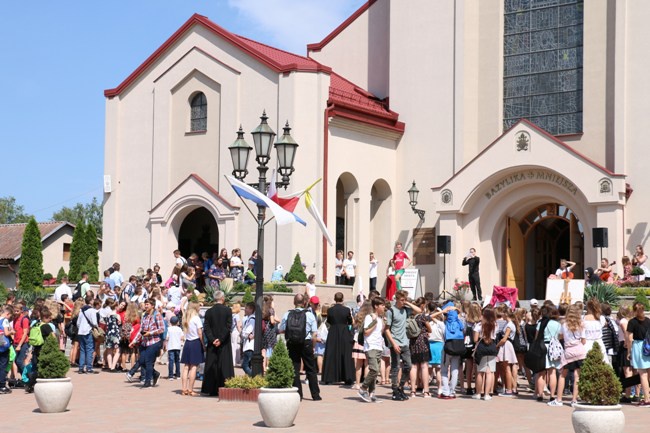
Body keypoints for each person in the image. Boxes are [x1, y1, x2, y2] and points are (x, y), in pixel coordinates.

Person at [279, 293, 322, 401]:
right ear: (304, 303)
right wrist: (313, 346)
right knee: (310, 369)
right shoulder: (310, 315)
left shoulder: (287, 314)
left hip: (292, 343)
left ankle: (298, 394)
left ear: (294, 303)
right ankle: (315, 394)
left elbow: (281, 329)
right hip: (306, 342)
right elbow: (314, 334)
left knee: (294, 368)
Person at [385, 290, 422, 401]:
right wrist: (393, 343)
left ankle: (401, 387)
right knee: (396, 367)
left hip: (405, 342)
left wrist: (409, 303)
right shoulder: (391, 311)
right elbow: (387, 329)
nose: (403, 302)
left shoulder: (406, 310)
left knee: (408, 366)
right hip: (395, 342)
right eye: (401, 300)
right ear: (396, 299)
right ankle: (395, 390)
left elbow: (420, 310)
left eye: (404, 300)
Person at [549, 304, 586, 407]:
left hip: (568, 351)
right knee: (577, 376)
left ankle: (559, 399)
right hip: (580, 351)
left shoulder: (564, 324)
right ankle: (574, 400)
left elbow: (560, 336)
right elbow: (583, 340)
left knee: (562, 375)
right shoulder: (581, 324)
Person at [201, 290, 234, 398]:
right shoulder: (228, 310)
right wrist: (220, 339)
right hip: (224, 343)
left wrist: (212, 339)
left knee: (212, 365)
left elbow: (206, 327)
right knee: (224, 364)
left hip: (212, 343)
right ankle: (225, 387)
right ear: (223, 299)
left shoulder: (209, 312)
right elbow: (228, 326)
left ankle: (211, 389)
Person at [126, 298, 164, 388]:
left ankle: (148, 382)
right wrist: (134, 341)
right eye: (145, 304)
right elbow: (141, 330)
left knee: (148, 362)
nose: (146, 306)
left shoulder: (157, 315)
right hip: (144, 342)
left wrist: (150, 333)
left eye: (148, 304)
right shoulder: (144, 315)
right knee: (141, 361)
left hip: (154, 342)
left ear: (152, 306)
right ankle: (155, 374)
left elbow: (162, 329)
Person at [357, 297, 387, 403]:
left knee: (375, 372)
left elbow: (379, 333)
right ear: (376, 306)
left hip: (378, 346)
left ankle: (372, 393)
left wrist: (383, 324)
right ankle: (363, 388)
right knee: (374, 370)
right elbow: (366, 332)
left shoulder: (380, 318)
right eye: (382, 305)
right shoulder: (370, 317)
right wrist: (374, 321)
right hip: (371, 346)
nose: (384, 307)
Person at [321, 292, 355, 385]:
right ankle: (347, 377)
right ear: (342, 299)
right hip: (344, 331)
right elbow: (350, 321)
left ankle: (329, 377)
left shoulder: (330, 310)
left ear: (334, 299)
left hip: (333, 332)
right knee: (346, 354)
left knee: (331, 353)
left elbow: (329, 321)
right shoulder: (346, 310)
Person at [627, 302, 650, 407]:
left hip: (639, 347)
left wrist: (629, 351)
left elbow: (629, 338)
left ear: (634, 310)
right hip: (648, 346)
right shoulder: (648, 321)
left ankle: (647, 399)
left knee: (643, 374)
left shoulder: (632, 322)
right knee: (648, 373)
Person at [409, 297, 432, 398]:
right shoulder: (422, 316)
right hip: (423, 341)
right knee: (424, 366)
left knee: (414, 366)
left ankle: (413, 390)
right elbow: (430, 329)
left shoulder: (411, 316)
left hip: (413, 342)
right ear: (422, 305)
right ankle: (426, 390)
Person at [473, 307, 497, 400]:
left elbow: (475, 339)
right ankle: (487, 394)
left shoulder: (479, 325)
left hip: (482, 347)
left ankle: (478, 393)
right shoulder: (495, 325)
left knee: (480, 372)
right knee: (490, 372)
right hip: (492, 347)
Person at [180, 302, 205, 396]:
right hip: (195, 342)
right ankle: (190, 389)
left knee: (186, 367)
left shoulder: (186, 318)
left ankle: (184, 389)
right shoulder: (196, 318)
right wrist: (203, 345)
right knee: (193, 366)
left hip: (188, 342)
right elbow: (200, 333)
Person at [77, 294, 98, 374]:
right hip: (88, 330)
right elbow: (94, 322)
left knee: (82, 350)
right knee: (89, 349)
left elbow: (78, 322)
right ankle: (89, 368)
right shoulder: (92, 310)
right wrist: (96, 327)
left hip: (81, 331)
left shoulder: (81, 310)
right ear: (91, 301)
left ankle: (81, 368)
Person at [240, 302, 256, 376]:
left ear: (251, 309)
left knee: (245, 365)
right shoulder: (249, 319)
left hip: (249, 346)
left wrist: (242, 333)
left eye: (246, 308)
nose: (245, 310)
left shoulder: (252, 319)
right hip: (248, 345)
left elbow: (246, 333)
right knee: (248, 365)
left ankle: (253, 377)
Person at [166, 315, 183, 380]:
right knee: (177, 361)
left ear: (170, 322)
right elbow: (182, 337)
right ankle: (178, 375)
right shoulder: (179, 329)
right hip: (177, 346)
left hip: (170, 346)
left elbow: (167, 338)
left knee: (171, 361)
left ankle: (171, 375)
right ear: (177, 322)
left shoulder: (169, 329)